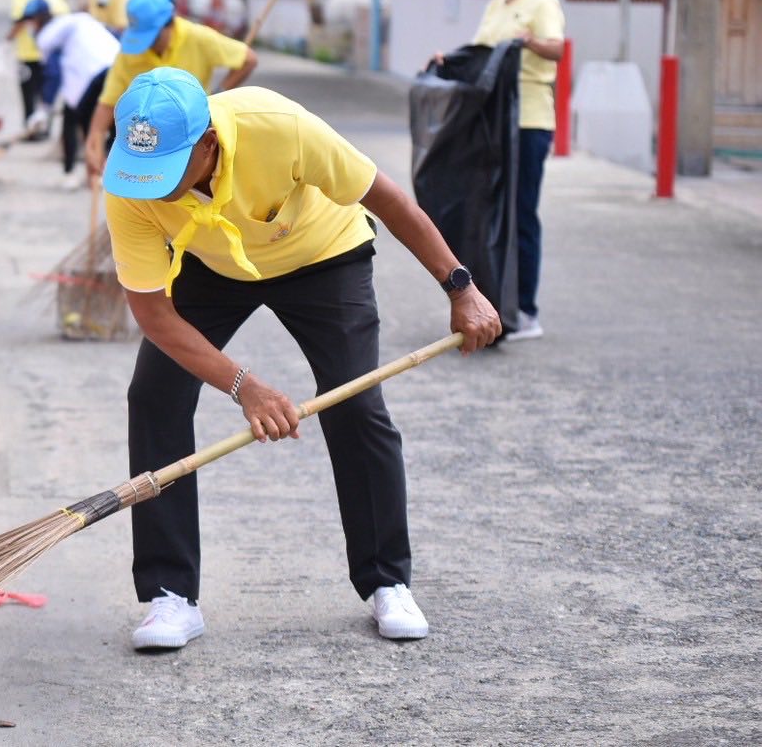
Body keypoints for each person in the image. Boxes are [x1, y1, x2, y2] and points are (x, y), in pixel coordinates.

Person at [100, 67, 501, 651]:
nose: (153, 188)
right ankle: (170, 595)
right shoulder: (132, 183)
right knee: (154, 394)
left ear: (208, 142)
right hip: (213, 267)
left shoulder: (278, 124)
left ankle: (387, 579)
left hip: (321, 255)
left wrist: (461, 288)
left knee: (355, 403)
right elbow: (155, 314)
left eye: (167, 173)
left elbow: (386, 200)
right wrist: (244, 386)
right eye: (143, 174)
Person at [470, 0, 565, 341]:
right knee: (490, 213)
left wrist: (528, 42)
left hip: (527, 122)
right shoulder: (496, 6)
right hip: (492, 123)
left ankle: (525, 308)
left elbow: (557, 47)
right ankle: (494, 302)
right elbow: (477, 55)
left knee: (521, 213)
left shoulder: (542, 1)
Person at [83, 0, 258, 177]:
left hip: (193, 139)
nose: (147, 44)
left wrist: (216, 96)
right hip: (150, 142)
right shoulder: (129, 53)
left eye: (152, 37)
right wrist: (96, 136)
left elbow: (248, 60)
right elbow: (108, 101)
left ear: (169, 24)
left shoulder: (197, 37)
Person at [16, 0, 118, 184]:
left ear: (37, 20)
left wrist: (44, 108)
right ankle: (104, 174)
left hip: (91, 78)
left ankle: (90, 175)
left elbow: (54, 74)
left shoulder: (48, 36)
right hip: (116, 69)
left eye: (29, 21)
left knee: (83, 126)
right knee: (112, 126)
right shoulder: (75, 21)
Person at [5, 0, 70, 136]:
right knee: (46, 91)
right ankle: (44, 128)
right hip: (51, 54)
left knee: (28, 94)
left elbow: (20, 21)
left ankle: (31, 129)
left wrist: (8, 40)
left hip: (28, 54)